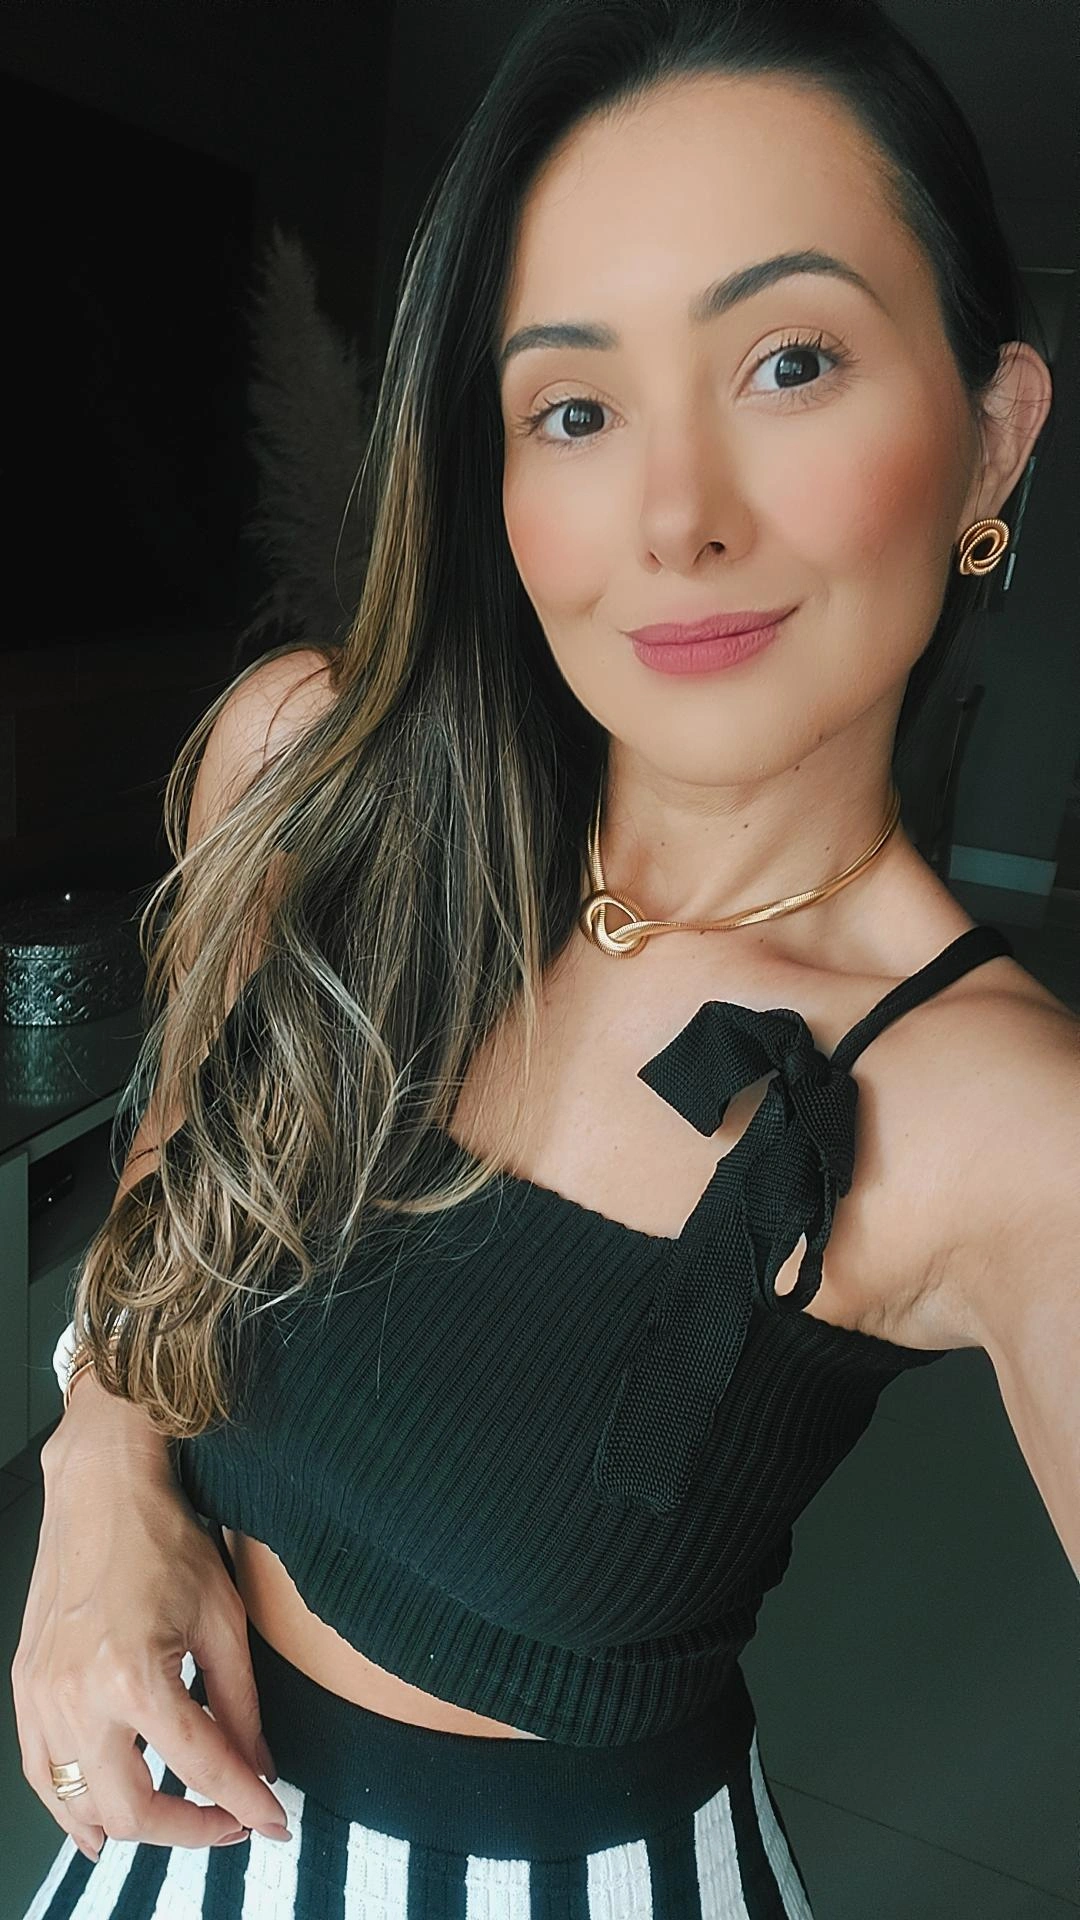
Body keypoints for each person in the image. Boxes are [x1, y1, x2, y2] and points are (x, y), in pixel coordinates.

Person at [12, 0, 1071, 1914]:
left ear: (992, 439)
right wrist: (98, 1468)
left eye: (791, 361)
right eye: (575, 408)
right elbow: (179, 1170)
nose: (676, 520)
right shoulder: (309, 777)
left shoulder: (1001, 1119)